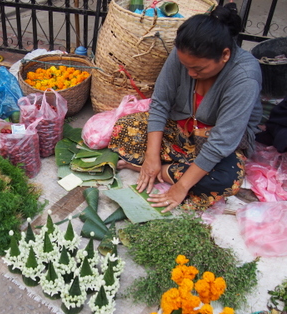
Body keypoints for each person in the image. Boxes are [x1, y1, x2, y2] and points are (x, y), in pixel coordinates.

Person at [109, 3, 262, 211]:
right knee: (124, 128)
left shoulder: (244, 77)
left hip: (215, 143)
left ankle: (163, 171)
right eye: (186, 66)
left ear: (225, 55)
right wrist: (151, 156)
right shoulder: (183, 53)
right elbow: (161, 103)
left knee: (226, 180)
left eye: (198, 69)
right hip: (180, 132)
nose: (190, 74)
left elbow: (221, 143)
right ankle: (164, 166)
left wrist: (181, 187)